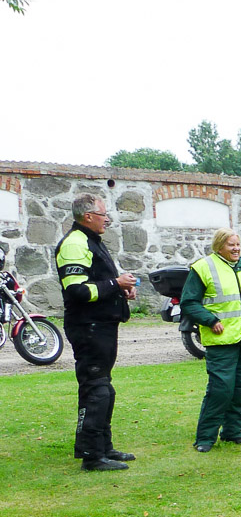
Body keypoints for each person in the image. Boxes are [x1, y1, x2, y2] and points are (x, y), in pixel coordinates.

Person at [55, 193, 137, 471]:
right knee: (96, 388)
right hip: (88, 326)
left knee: (104, 387)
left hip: (101, 324)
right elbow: (77, 290)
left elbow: (96, 282)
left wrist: (121, 289)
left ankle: (104, 447)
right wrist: (116, 283)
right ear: (88, 216)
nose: (107, 220)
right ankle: (91, 455)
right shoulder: (75, 243)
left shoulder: (90, 241)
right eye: (103, 215)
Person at [179, 228, 241, 452]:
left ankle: (232, 432)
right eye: (231, 245)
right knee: (220, 389)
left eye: (238, 244)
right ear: (219, 246)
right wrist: (209, 320)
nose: (236, 249)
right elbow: (189, 302)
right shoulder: (203, 267)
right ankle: (205, 438)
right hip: (221, 340)